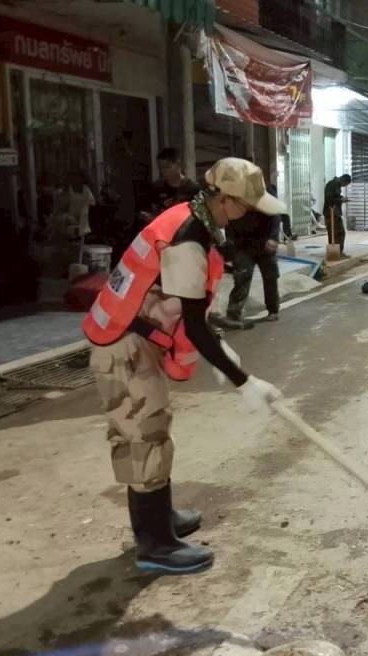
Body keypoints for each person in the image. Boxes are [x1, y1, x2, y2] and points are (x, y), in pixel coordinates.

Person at [83, 157, 283, 575]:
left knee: (153, 426)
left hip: (137, 335)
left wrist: (221, 349)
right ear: (224, 199)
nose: (250, 215)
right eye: (246, 206)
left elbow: (188, 310)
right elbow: (193, 323)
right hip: (124, 345)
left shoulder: (192, 217)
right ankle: (154, 545)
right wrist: (243, 381)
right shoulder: (187, 239)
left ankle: (160, 518)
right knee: (144, 435)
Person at [222, 188, 282, 327]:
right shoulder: (236, 196)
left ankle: (273, 309)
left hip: (265, 243)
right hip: (243, 246)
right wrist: (231, 245)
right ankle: (233, 314)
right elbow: (229, 221)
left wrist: (274, 238)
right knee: (242, 277)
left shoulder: (265, 193)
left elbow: (275, 216)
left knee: (270, 277)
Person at [141, 148, 201, 222]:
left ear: (178, 165)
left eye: (167, 167)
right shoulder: (156, 187)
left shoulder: (193, 188)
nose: (163, 171)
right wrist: (152, 217)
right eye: (161, 168)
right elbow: (146, 211)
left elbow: (200, 216)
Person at [323, 174, 352, 255]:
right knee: (334, 234)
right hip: (330, 213)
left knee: (340, 233)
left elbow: (335, 196)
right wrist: (341, 200)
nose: (344, 186)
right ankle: (334, 253)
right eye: (345, 184)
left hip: (336, 213)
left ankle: (339, 252)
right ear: (343, 180)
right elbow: (329, 199)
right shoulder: (331, 184)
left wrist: (341, 198)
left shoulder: (337, 185)